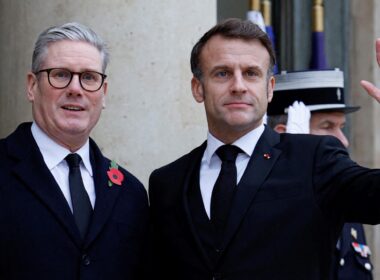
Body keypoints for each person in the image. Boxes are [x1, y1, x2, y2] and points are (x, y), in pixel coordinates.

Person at [148, 18, 380, 280]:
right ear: (198, 88)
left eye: (251, 73)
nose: (238, 86)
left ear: (270, 89)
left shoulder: (314, 159)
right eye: (222, 73)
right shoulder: (166, 182)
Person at [0, 22, 149, 280]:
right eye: (60, 74)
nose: (75, 89)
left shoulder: (130, 192)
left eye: (89, 77)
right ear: (32, 86)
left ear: (103, 94)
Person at [267, 69, 373, 280]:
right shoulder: (261, 204)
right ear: (284, 133)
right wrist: (292, 156)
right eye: (327, 127)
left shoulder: (341, 194)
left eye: (342, 127)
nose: (343, 141)